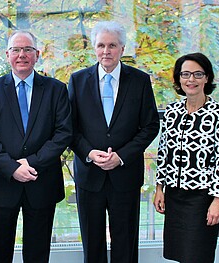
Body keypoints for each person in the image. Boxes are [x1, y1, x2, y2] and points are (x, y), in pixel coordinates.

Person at [0, 30, 72, 263]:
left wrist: (30, 163)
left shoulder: (56, 89)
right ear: (7, 55)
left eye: (27, 49)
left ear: (37, 55)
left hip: (42, 181)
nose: (22, 55)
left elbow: (63, 133)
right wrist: (11, 168)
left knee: (38, 253)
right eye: (16, 50)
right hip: (2, 182)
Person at [68, 21, 160, 263]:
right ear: (94, 49)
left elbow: (150, 125)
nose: (106, 51)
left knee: (126, 242)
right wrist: (89, 153)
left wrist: (121, 156)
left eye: (112, 45)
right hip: (89, 175)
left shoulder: (139, 81)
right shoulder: (77, 81)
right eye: (101, 45)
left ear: (122, 48)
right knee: (92, 241)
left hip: (125, 174)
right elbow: (70, 128)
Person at [153, 52, 219, 263]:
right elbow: (164, 152)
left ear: (207, 78)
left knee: (199, 255)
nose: (191, 80)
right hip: (175, 196)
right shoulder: (172, 111)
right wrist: (160, 188)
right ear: (179, 79)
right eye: (186, 74)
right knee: (179, 254)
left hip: (203, 198)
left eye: (198, 74)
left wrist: (218, 200)